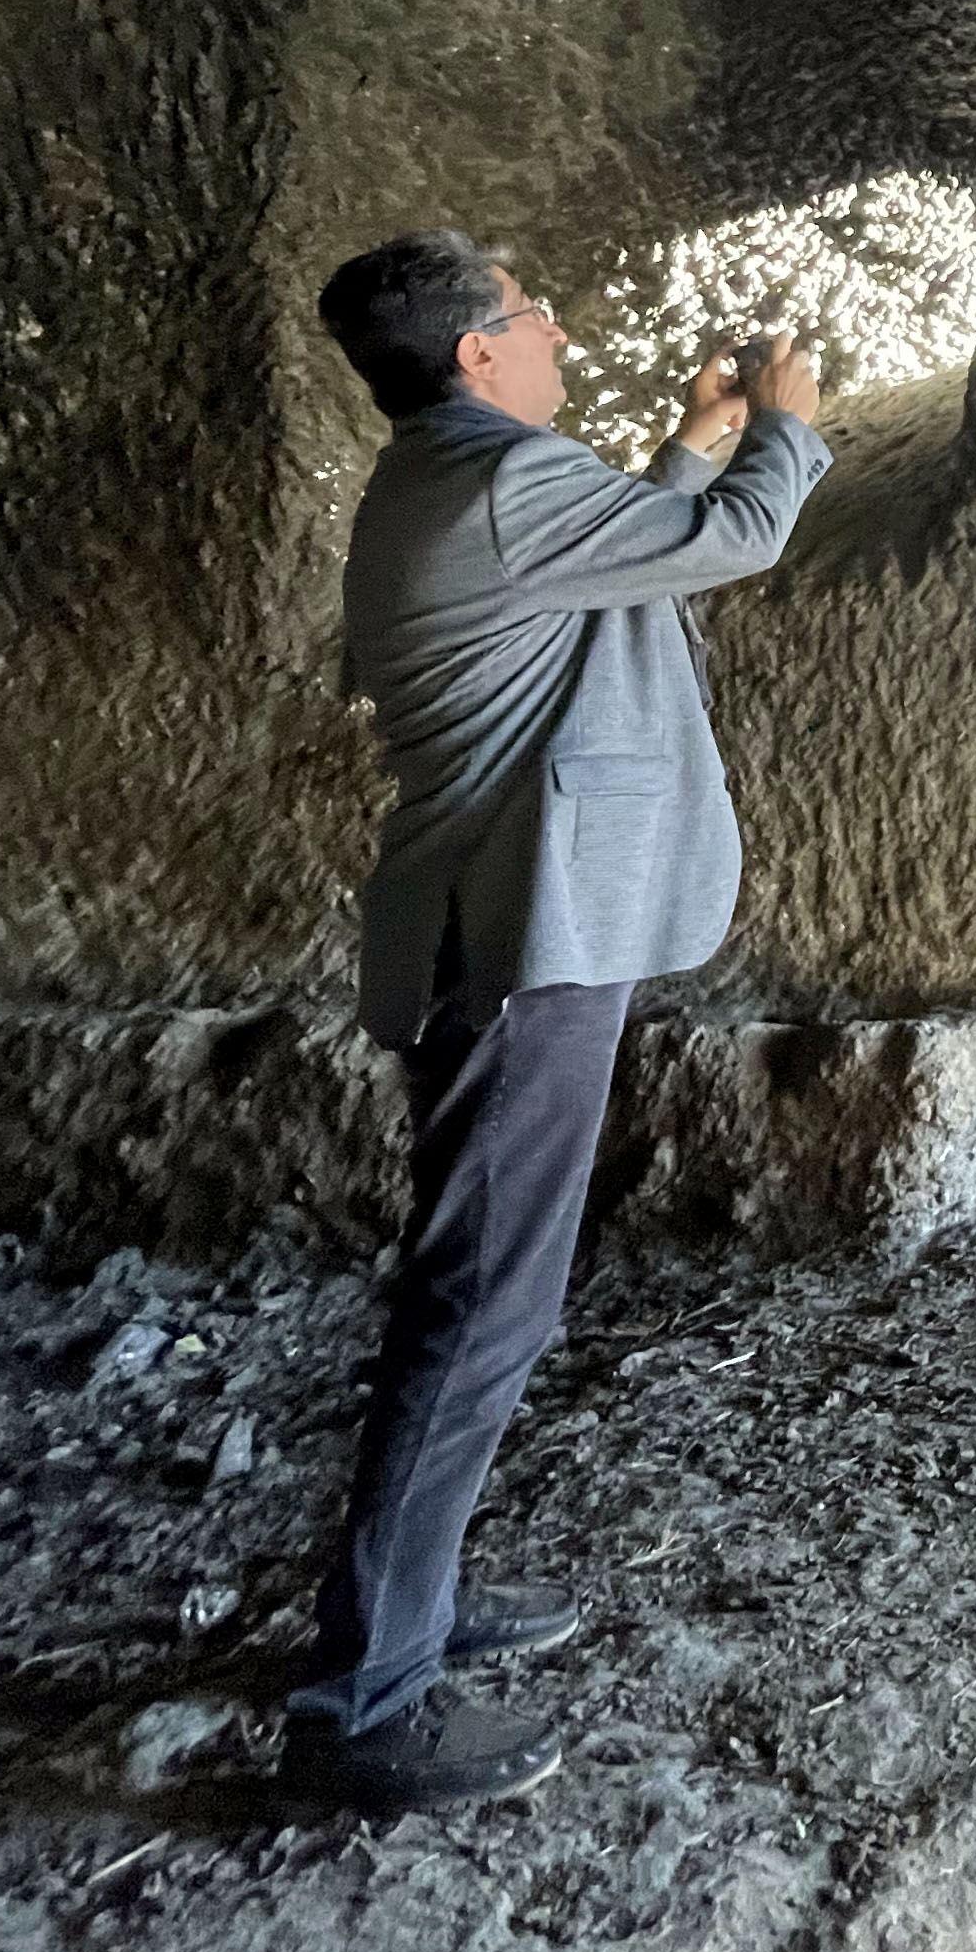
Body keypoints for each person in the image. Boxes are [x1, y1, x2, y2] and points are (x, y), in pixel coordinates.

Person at [276, 228, 830, 1812]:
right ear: (475, 357)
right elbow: (727, 546)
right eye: (528, 315)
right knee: (480, 1305)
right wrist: (783, 427)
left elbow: (618, 548)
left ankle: (417, 1610)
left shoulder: (461, 480)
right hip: (523, 943)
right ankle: (360, 1699)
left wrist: (689, 448)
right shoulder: (502, 485)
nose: (556, 327)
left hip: (505, 930)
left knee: (485, 1286)